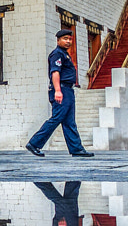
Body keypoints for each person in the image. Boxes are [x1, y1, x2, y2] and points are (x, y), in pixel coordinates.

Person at [26, 29, 94, 157]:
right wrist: (58, 90)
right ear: (58, 40)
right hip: (61, 89)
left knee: (69, 121)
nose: (68, 41)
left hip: (67, 90)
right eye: (65, 39)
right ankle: (34, 143)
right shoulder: (57, 54)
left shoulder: (64, 54)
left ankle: (76, 149)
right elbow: (55, 72)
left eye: (70, 39)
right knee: (56, 118)